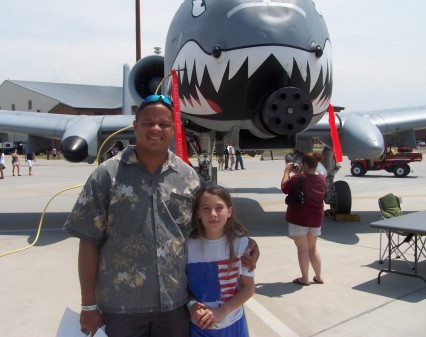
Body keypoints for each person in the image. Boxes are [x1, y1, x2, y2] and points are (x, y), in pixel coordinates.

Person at [63, 94, 261, 337]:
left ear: (173, 129)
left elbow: (212, 218)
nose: (156, 129)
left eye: (164, 124)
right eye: (148, 123)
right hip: (121, 307)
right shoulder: (107, 175)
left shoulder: (188, 177)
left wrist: (245, 242)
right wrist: (88, 305)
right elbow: (88, 241)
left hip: (175, 307)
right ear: (135, 126)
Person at [187, 185, 255, 337]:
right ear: (197, 213)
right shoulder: (187, 245)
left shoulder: (241, 243)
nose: (213, 214)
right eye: (206, 208)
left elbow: (249, 288)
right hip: (199, 326)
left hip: (233, 323)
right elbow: (181, 286)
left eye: (219, 208)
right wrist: (192, 306)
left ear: (229, 211)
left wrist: (220, 312)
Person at [281, 152, 327, 286]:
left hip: (299, 218)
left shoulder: (298, 178)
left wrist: (286, 172)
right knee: (312, 248)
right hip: (316, 219)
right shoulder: (322, 178)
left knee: (302, 248)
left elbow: (284, 187)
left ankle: (304, 279)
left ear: (305, 164)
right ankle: (318, 276)